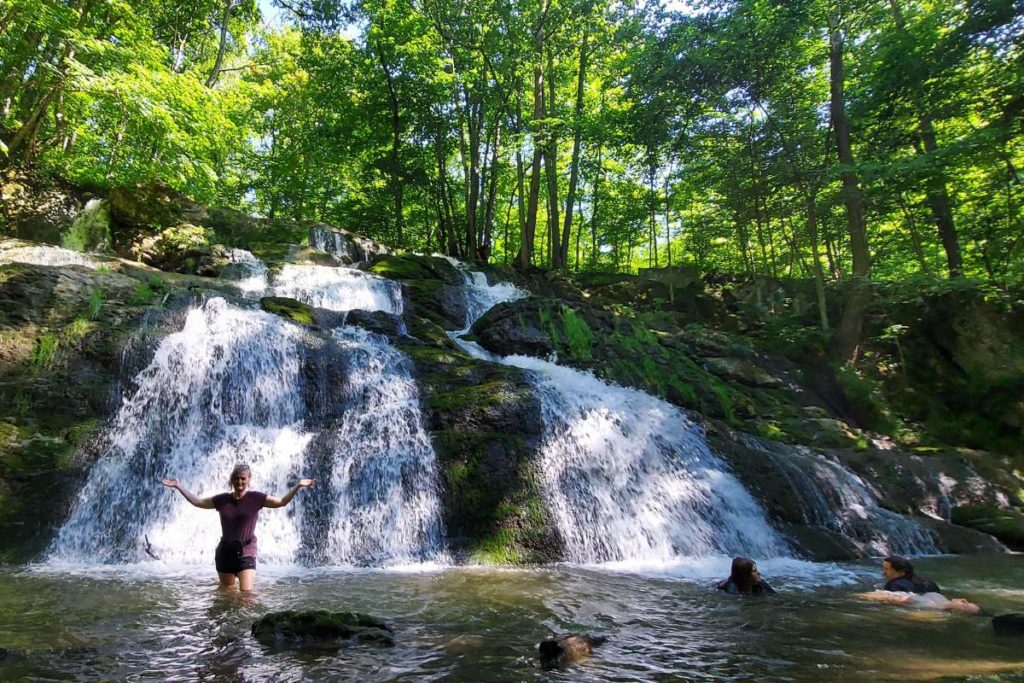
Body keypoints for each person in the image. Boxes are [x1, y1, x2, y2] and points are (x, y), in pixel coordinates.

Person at [161, 463, 315, 591]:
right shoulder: (223, 500)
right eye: (236, 479)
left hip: (246, 551)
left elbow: (282, 502)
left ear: (248, 480)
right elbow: (198, 502)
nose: (239, 482)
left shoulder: (256, 498)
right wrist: (179, 486)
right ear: (232, 480)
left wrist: (298, 486)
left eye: (243, 479)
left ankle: (248, 626)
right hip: (225, 552)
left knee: (247, 595)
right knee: (227, 595)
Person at [858, 556, 981, 614]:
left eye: (887, 569)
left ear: (901, 572)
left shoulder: (894, 585)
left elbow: (898, 600)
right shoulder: (927, 582)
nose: (883, 572)